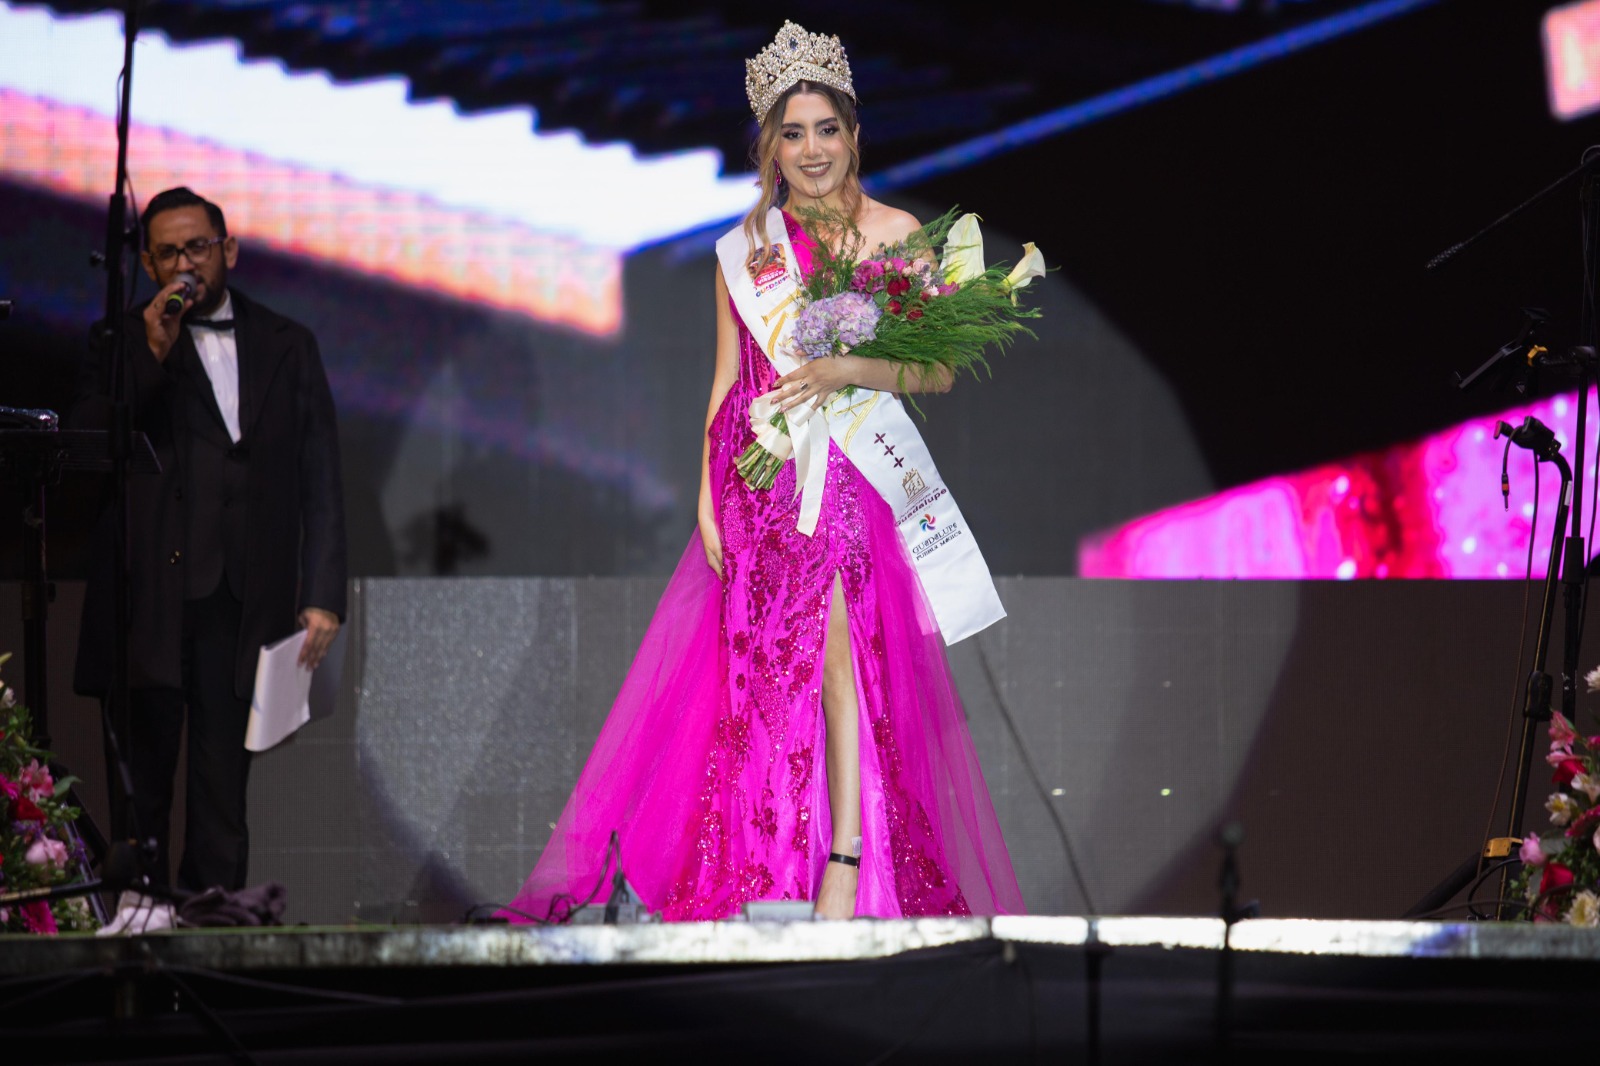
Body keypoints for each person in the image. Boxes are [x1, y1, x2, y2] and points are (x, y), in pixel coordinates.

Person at [503, 22, 1022, 922]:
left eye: (827, 130)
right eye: (793, 133)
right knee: (761, 674)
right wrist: (708, 495)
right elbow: (722, 380)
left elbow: (933, 369)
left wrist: (844, 370)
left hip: (852, 479)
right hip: (758, 485)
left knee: (839, 653)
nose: (812, 150)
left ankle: (850, 858)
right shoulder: (746, 247)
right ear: (769, 148)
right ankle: (765, 866)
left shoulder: (897, 233)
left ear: (853, 134)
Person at [71, 186, 347, 931]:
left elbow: (321, 472)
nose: (184, 263)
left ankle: (216, 937)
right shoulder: (122, 342)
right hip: (147, 603)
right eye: (167, 252)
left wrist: (322, 591)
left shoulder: (289, 343)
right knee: (143, 788)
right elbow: (90, 450)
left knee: (224, 790)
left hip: (240, 598)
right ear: (148, 263)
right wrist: (151, 347)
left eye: (197, 247)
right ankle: (138, 936)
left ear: (227, 250)